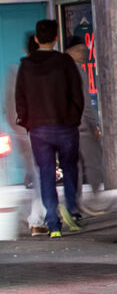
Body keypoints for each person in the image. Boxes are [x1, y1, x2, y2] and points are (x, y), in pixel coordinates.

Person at [14, 20, 84, 238]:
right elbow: (77, 94)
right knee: (70, 168)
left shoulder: (26, 65)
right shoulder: (65, 62)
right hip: (65, 126)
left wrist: (28, 123)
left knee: (46, 174)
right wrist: (74, 118)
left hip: (39, 129)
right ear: (56, 38)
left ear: (36, 39)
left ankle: (53, 223)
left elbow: (20, 99)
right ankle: (70, 207)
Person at [7, 33, 47, 235]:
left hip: (28, 132)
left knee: (38, 174)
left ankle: (34, 217)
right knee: (40, 174)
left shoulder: (17, 72)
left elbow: (10, 107)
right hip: (40, 130)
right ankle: (36, 219)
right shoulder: (46, 70)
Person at [66, 37, 106, 206]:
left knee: (74, 166)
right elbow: (85, 102)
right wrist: (94, 124)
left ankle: (73, 204)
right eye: (80, 50)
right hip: (81, 126)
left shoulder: (59, 70)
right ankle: (96, 199)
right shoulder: (77, 70)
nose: (84, 53)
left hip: (66, 127)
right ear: (70, 51)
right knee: (93, 162)